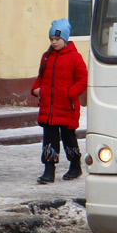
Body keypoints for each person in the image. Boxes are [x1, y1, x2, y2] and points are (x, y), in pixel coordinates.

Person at [32, 18, 88, 184]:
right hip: (48, 107)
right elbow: (41, 77)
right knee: (49, 138)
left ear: (65, 39)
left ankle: (75, 166)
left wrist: (70, 93)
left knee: (68, 136)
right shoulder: (46, 57)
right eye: (52, 39)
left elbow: (83, 80)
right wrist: (37, 89)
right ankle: (49, 170)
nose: (54, 42)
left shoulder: (75, 57)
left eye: (57, 39)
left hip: (66, 106)